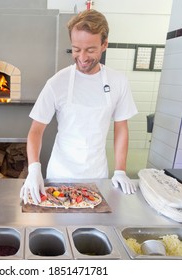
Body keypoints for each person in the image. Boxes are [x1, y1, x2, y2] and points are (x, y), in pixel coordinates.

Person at [20, 9, 138, 204]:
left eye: (90, 50)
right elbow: (36, 131)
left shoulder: (119, 82)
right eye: (76, 49)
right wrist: (34, 169)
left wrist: (120, 170)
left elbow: (121, 128)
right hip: (60, 175)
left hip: (97, 176)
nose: (82, 57)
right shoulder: (57, 83)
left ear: (104, 45)